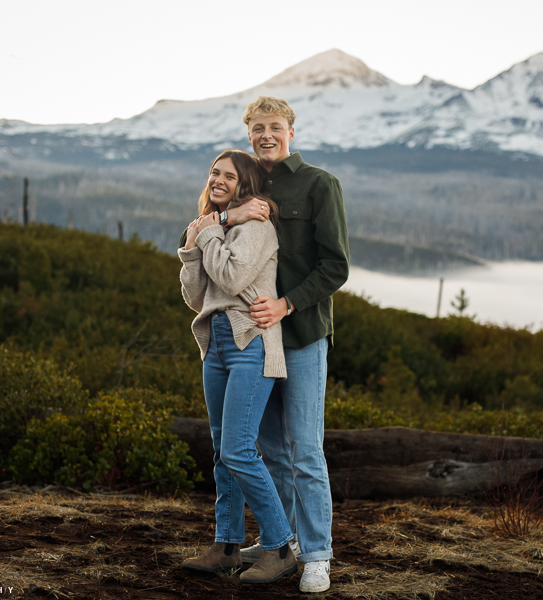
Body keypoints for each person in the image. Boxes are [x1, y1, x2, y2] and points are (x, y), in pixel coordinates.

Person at [221, 96, 350, 593]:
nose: (265, 135)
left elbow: (335, 266)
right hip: (255, 341)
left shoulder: (320, 184)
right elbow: (203, 227)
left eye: (274, 127)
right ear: (249, 133)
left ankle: (318, 555)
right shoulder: (245, 183)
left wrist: (286, 304)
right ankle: (285, 542)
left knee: (305, 450)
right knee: (269, 449)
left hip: (300, 335)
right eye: (257, 128)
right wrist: (231, 217)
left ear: (291, 132)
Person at [178, 149, 300, 584]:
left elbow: (229, 280)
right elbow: (198, 297)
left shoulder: (257, 226)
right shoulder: (218, 226)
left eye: (229, 176)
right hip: (216, 344)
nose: (218, 180)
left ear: (245, 185)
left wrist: (209, 233)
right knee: (221, 451)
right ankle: (227, 545)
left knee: (239, 449)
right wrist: (195, 247)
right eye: (214, 173)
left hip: (251, 343)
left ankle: (280, 547)